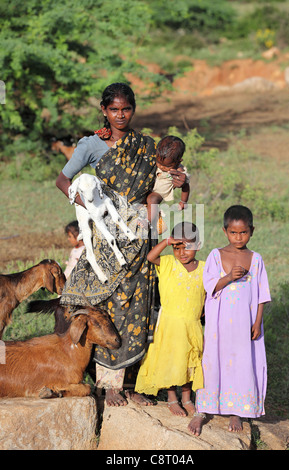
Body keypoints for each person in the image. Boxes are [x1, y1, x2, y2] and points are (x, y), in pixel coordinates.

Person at [56, 82, 187, 407]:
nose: (120, 115)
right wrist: (95, 210)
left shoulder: (146, 146)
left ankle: (132, 384)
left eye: (125, 109)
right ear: (104, 110)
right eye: (113, 109)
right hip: (105, 241)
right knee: (109, 307)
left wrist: (183, 183)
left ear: (133, 110)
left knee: (139, 308)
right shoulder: (91, 144)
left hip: (140, 240)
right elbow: (63, 181)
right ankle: (108, 386)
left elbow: (162, 186)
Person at [188, 205, 271, 436]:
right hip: (219, 325)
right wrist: (228, 277)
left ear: (252, 231)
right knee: (213, 361)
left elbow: (262, 295)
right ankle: (202, 409)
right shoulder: (216, 255)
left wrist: (257, 322)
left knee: (243, 362)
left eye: (243, 232)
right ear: (225, 231)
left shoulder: (256, 259)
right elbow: (210, 286)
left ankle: (238, 410)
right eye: (233, 233)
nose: (238, 237)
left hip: (245, 324)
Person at [135, 222, 205, 417]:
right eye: (177, 247)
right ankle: (172, 399)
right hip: (169, 325)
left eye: (187, 247)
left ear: (198, 245)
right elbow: (150, 256)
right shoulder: (167, 263)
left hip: (191, 325)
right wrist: (166, 241)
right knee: (170, 361)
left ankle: (187, 399)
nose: (182, 252)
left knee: (189, 362)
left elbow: (209, 292)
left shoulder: (205, 268)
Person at [146, 135, 190, 231]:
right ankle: (155, 215)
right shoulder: (155, 159)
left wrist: (183, 201)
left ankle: (148, 222)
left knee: (152, 199)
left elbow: (186, 186)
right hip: (147, 187)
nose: (162, 167)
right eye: (159, 163)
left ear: (178, 161)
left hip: (159, 193)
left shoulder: (179, 172)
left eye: (167, 166)